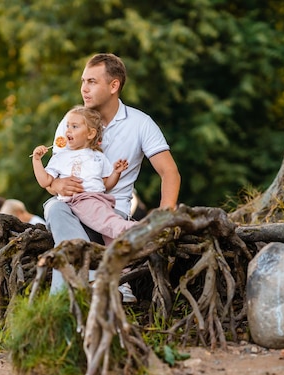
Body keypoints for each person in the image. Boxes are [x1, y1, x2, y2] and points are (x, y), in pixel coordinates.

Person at [44, 53, 181, 302]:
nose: (84, 89)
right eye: (83, 81)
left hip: (111, 212)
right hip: (71, 206)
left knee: (83, 223)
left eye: (92, 82)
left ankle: (75, 293)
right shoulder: (71, 121)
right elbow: (53, 175)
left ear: (114, 85)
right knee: (54, 209)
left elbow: (169, 172)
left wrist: (165, 220)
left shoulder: (140, 123)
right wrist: (56, 184)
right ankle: (97, 285)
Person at [32, 105, 133, 245]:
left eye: (74, 126)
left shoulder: (98, 157)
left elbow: (106, 184)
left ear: (90, 134)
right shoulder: (60, 157)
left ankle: (122, 263)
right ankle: (130, 229)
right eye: (67, 126)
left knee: (110, 235)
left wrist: (116, 172)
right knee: (109, 223)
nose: (68, 130)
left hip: (100, 200)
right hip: (79, 200)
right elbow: (45, 182)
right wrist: (37, 161)